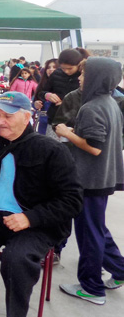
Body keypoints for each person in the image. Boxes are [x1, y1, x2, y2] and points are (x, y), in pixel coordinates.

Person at [0, 91, 82, 317]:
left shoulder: (52, 150)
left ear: (27, 116)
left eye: (8, 116)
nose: (0, 122)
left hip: (35, 222)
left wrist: (30, 218)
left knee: (16, 258)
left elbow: (72, 200)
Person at [56, 57, 124, 305]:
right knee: (97, 230)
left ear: (96, 77)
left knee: (90, 235)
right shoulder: (109, 102)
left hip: (91, 180)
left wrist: (65, 133)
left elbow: (94, 147)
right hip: (101, 178)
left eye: (84, 75)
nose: (79, 79)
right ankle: (120, 269)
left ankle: (92, 287)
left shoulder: (93, 106)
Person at [35, 49, 83, 138]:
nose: (66, 71)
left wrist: (66, 103)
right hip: (55, 120)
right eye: (63, 68)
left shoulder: (82, 77)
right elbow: (41, 92)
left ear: (78, 65)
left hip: (74, 122)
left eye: (70, 68)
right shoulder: (56, 74)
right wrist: (47, 95)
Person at [33, 58, 59, 135]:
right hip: (42, 124)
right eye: (48, 67)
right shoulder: (41, 85)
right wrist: (35, 104)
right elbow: (34, 100)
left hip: (57, 126)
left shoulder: (64, 86)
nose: (51, 69)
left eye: (54, 67)